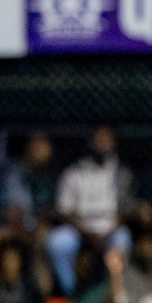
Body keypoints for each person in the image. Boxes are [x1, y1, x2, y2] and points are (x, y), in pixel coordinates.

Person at [48, 126, 133, 294]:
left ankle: (114, 294)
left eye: (106, 139)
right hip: (79, 230)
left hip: (111, 229)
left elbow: (126, 209)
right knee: (57, 243)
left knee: (123, 239)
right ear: (90, 142)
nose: (102, 143)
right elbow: (66, 211)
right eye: (98, 138)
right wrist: (87, 234)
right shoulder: (74, 172)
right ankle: (72, 293)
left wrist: (109, 231)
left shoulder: (122, 173)